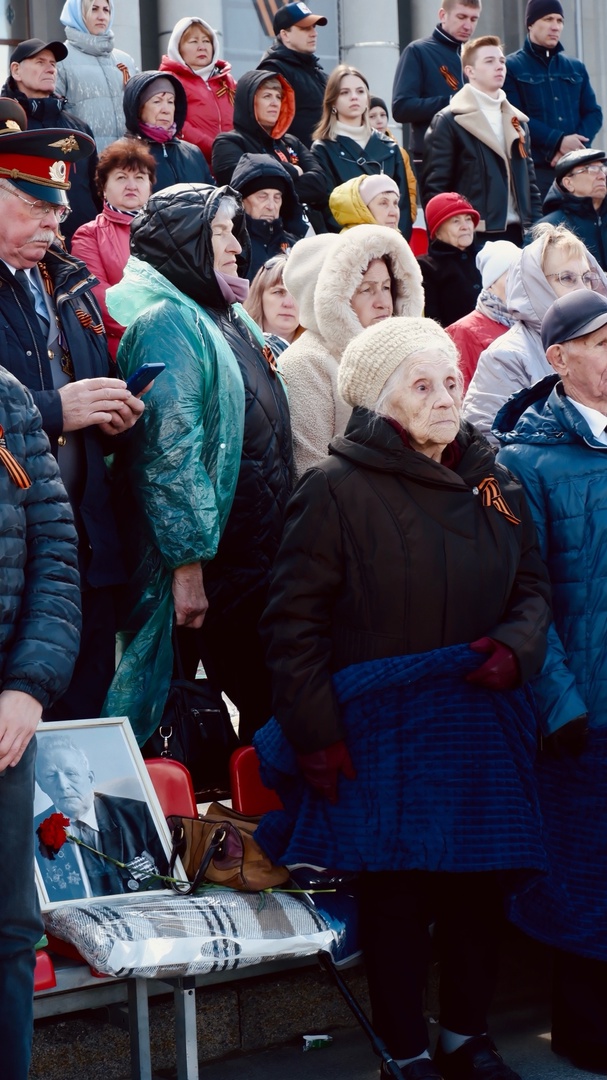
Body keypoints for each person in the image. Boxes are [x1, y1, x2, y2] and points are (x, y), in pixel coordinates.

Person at [256, 314, 551, 1080]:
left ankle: (464, 1035)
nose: (445, 397)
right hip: (383, 728)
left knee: (478, 889)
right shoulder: (334, 490)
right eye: (421, 385)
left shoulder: (494, 478)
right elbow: (293, 626)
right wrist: (315, 734)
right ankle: (405, 1049)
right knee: (396, 895)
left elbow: (532, 586)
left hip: (481, 719)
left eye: (450, 381)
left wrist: (513, 649)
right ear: (379, 400)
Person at [103, 184, 292, 747]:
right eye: (220, 232)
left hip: (255, 557)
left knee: (269, 710)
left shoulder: (226, 316)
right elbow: (169, 455)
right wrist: (188, 568)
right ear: (186, 242)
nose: (236, 246)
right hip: (214, 568)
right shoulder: (167, 323)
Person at [494, 289, 607, 1075]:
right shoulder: (523, 460)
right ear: (559, 360)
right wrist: (559, 706)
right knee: (583, 875)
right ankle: (585, 1033)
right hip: (584, 713)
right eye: (599, 344)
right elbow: (520, 599)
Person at [0, 122, 145, 721]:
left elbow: (87, 383)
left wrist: (116, 412)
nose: (50, 225)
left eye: (56, 210)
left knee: (82, 745)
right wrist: (60, 409)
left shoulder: (71, 285)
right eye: (34, 207)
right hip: (17, 570)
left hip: (85, 554)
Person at [0, 365, 80, 1080]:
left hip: (3, 720)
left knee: (8, 930)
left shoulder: (6, 396)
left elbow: (54, 551)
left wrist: (29, 686)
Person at [280, 224, 424, 479]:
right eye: (366, 289)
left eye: (387, 287)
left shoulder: (402, 357)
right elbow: (311, 474)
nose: (383, 302)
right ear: (333, 296)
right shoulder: (305, 362)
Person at [463, 222, 607, 442]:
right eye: (567, 278)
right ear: (535, 283)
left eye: (587, 278)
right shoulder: (505, 356)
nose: (582, 288)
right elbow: (489, 444)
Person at [423, 35, 541, 247]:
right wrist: (449, 239)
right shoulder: (449, 121)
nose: (499, 67)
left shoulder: (519, 122)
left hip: (519, 236)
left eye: (502, 61)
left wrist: (537, 231)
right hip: (472, 238)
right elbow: (436, 190)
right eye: (489, 61)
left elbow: (530, 184)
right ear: (470, 71)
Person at [34, 736, 169, 902]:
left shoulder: (139, 814)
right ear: (41, 786)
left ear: (90, 779)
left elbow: (169, 877)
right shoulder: (31, 834)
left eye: (71, 773)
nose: (63, 785)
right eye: (50, 776)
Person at [3, 37, 99, 247]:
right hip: (23, 246)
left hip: (82, 246)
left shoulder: (78, 128)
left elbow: (96, 189)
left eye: (53, 64)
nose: (50, 69)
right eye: (40, 62)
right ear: (16, 70)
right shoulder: (5, 124)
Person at [504, 0, 603, 200]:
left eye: (559, 20)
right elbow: (514, 117)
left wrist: (573, 148)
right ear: (530, 24)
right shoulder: (511, 67)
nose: (555, 26)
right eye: (548, 19)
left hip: (578, 170)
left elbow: (594, 113)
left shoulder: (575, 67)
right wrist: (557, 142)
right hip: (537, 171)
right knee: (544, 229)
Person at [71, 137, 156, 359]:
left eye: (139, 177)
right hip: (124, 353)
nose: (131, 185)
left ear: (150, 186)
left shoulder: (171, 230)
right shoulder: (89, 235)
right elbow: (101, 300)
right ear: (103, 188)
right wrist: (157, 328)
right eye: (121, 177)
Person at [311, 65, 414, 239]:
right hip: (348, 246)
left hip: (391, 243)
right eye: (344, 92)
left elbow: (402, 205)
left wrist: (397, 244)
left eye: (360, 91)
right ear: (333, 101)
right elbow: (327, 209)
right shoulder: (323, 149)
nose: (354, 97)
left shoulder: (390, 147)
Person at [211, 70, 326, 218]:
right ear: (249, 101)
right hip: (254, 232)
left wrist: (272, 185)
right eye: (267, 96)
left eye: (279, 97)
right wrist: (294, 171)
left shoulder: (292, 142)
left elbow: (320, 184)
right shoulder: (228, 143)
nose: (275, 103)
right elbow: (245, 186)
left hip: (303, 228)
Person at [392, 0, 482, 174]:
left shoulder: (476, 57)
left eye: (473, 19)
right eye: (461, 17)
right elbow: (401, 108)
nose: (467, 25)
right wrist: (452, 102)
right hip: (434, 156)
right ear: (443, 15)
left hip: (473, 157)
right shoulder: (417, 51)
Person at [55, 0, 137, 151]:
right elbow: (54, 117)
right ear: (78, 14)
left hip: (127, 164)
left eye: (106, 10)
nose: (102, 16)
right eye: (94, 9)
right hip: (83, 163)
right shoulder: (61, 59)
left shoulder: (125, 61)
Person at [159, 16, 236, 173]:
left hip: (233, 165)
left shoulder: (228, 80)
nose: (202, 47)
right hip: (191, 166)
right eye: (193, 42)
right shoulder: (169, 80)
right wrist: (216, 148)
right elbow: (176, 122)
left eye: (206, 41)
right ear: (178, 47)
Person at [446, 240, 521, 392]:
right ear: (490, 284)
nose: (519, 282)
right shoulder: (463, 331)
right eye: (511, 276)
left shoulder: (533, 321)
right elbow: (461, 393)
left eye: (523, 274)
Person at [122, 70, 213, 192]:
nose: (166, 110)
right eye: (157, 101)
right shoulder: (122, 154)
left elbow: (213, 198)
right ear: (138, 109)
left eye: (170, 102)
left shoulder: (193, 153)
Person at [257, 1, 328, 149]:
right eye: (305, 28)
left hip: (325, 162)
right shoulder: (273, 70)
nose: (314, 33)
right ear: (285, 35)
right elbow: (269, 127)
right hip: (297, 164)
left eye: (314, 27)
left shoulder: (317, 73)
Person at [230, 153, 305, 280]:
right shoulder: (230, 246)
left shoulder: (296, 246)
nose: (271, 206)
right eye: (262, 196)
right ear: (241, 200)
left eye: (277, 197)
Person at [417, 193, 482, 327]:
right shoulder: (426, 267)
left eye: (468, 219)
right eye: (456, 221)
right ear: (437, 231)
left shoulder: (486, 255)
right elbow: (432, 320)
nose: (465, 226)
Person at [539, 148, 607, 270]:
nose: (602, 176)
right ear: (568, 183)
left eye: (603, 169)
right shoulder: (550, 228)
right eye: (592, 169)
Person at [368, 95, 417, 224]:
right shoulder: (359, 152)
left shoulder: (399, 152)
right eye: (372, 116)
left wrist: (409, 217)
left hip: (397, 222)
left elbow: (410, 188)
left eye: (383, 115)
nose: (379, 121)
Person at [244, 252, 301, 358]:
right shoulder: (238, 346)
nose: (288, 304)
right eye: (279, 292)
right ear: (259, 296)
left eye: (297, 294)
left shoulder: (322, 353)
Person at [329, 175, 402, 231]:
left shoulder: (388, 242)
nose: (393, 213)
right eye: (383, 203)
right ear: (363, 208)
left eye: (395, 203)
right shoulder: (359, 246)